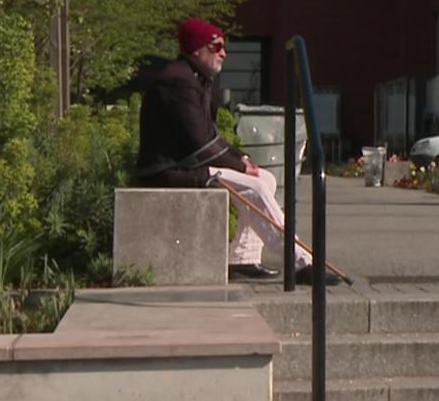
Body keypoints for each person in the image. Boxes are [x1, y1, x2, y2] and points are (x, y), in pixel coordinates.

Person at [134, 18, 329, 283]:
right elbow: (200, 144)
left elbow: (210, 135)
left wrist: (241, 159)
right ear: (196, 49)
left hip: (188, 164)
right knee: (255, 187)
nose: (224, 53)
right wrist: (239, 167)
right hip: (167, 170)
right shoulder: (177, 82)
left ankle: (242, 257)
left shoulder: (197, 79)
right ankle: (301, 262)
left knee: (265, 179)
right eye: (216, 46)